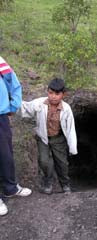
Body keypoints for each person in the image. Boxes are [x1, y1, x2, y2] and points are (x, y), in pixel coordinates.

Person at [19, 78, 77, 194]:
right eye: (50, 93)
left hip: (58, 139)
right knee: (44, 161)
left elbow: (71, 129)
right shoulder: (39, 103)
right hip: (43, 138)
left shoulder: (66, 109)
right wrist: (13, 101)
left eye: (57, 94)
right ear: (47, 92)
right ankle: (48, 183)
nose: (53, 96)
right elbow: (26, 107)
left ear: (63, 94)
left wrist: (72, 147)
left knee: (62, 163)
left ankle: (65, 185)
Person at [0, 56, 32, 216]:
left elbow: (13, 82)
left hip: (1, 115)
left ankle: (10, 188)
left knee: (6, 155)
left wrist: (13, 104)